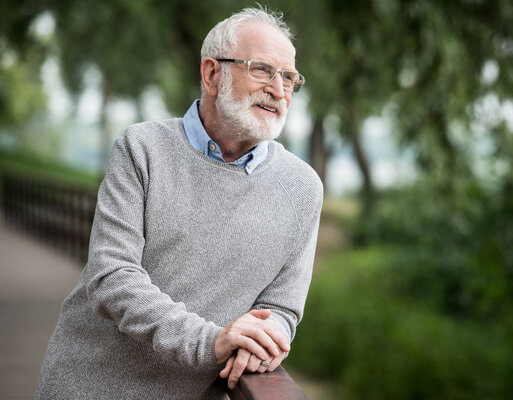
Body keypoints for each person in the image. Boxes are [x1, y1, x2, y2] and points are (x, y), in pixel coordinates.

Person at [35, 6, 322, 400]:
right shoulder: (141, 148)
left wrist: (262, 340)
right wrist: (212, 341)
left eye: (289, 77)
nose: (279, 89)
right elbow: (111, 274)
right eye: (262, 70)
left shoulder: (303, 187)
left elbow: (283, 308)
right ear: (211, 74)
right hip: (87, 386)